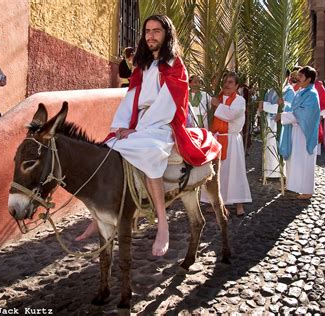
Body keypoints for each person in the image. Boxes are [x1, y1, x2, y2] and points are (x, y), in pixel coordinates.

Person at [76, 15, 221, 256]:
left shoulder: (175, 65)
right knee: (109, 145)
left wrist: (139, 130)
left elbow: (170, 102)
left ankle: (162, 224)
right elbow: (132, 97)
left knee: (149, 150)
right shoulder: (142, 66)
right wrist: (122, 126)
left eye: (156, 31)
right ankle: (97, 216)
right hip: (140, 121)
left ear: (167, 35)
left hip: (162, 124)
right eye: (147, 31)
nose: (151, 35)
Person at [200, 72, 252, 216]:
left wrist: (218, 105)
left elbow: (230, 115)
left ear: (236, 86)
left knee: (236, 172)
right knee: (219, 173)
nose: (226, 84)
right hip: (217, 139)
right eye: (225, 82)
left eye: (230, 82)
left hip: (231, 140)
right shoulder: (216, 98)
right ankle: (217, 203)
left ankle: (239, 204)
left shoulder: (239, 100)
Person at [276, 66, 320, 200]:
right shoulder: (302, 91)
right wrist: (284, 104)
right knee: (295, 159)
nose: (298, 79)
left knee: (304, 161)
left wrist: (283, 116)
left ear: (309, 79)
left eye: (301, 76)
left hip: (304, 133)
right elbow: (294, 108)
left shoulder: (312, 94)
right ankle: (293, 185)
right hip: (296, 131)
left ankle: (307, 190)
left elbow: (304, 114)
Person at [259, 69, 297, 178]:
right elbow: (264, 103)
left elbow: (288, 108)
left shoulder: (289, 91)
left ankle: (280, 172)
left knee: (277, 145)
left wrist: (267, 106)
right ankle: (269, 172)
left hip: (281, 123)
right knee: (269, 146)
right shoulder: (271, 90)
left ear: (287, 77)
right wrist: (263, 106)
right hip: (269, 122)